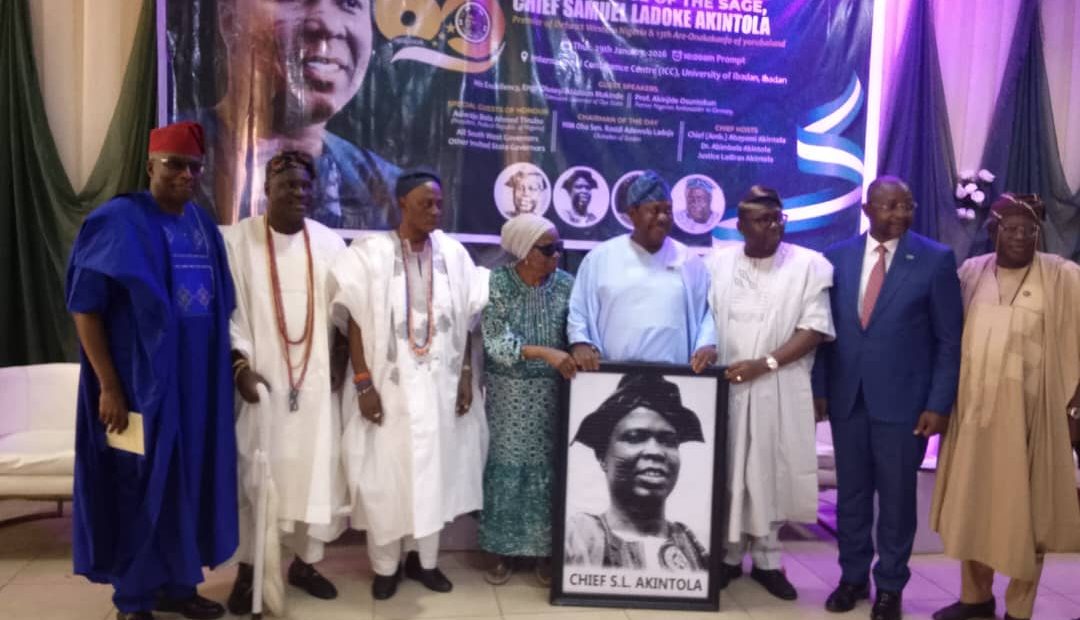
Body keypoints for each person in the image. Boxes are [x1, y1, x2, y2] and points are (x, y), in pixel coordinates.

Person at [66, 121, 237, 620]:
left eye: (195, 168)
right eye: (175, 165)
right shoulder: (117, 221)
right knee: (138, 485)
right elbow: (85, 308)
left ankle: (179, 587)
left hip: (196, 390)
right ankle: (134, 599)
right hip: (138, 389)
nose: (186, 176)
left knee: (188, 484)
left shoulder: (202, 225)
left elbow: (220, 307)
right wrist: (109, 386)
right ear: (150, 166)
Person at [329, 168, 489, 600]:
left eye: (439, 203)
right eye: (425, 204)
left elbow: (468, 322)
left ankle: (425, 562)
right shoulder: (370, 253)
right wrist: (363, 384)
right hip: (388, 389)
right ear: (402, 204)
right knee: (385, 478)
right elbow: (354, 322)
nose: (435, 211)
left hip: (440, 389)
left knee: (434, 475)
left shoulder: (453, 254)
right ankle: (386, 567)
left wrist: (466, 376)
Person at [811, 176, 963, 620]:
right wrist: (820, 389)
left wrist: (938, 404)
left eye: (907, 205)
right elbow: (822, 331)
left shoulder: (935, 260)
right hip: (848, 399)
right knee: (852, 496)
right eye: (890, 206)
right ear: (867, 210)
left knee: (896, 501)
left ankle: (891, 586)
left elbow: (949, 341)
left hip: (906, 405)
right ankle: (852, 578)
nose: (900, 213)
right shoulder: (836, 257)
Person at [929, 194, 1080, 620]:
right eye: (1010, 229)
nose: (1020, 237)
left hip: (1031, 421)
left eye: (1029, 230)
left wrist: (1075, 410)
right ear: (993, 231)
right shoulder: (971, 273)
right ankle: (975, 599)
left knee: (1025, 516)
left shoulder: (1062, 276)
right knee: (973, 505)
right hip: (973, 418)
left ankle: (1020, 608)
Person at [222, 151, 349, 615]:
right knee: (257, 476)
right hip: (261, 388)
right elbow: (229, 312)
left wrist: (339, 360)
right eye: (288, 185)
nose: (298, 193)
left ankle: (304, 564)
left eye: (305, 186)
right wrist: (240, 368)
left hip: (314, 387)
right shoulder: (238, 241)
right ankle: (249, 570)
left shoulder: (330, 243)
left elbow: (346, 311)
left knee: (314, 473)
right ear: (267, 190)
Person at [706, 186, 835, 601]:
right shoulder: (717, 264)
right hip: (726, 387)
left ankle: (768, 561)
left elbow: (814, 328)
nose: (774, 226)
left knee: (772, 473)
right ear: (741, 225)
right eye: (763, 220)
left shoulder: (809, 265)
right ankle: (728, 556)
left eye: (779, 218)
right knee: (729, 472)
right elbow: (704, 319)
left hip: (779, 385)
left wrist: (764, 365)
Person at [189, 0, 400, 228]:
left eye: (349, 2)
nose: (328, 24)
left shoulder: (391, 192)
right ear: (229, 18)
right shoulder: (178, 163)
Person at [479, 214, 576, 586]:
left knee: (548, 469)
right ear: (523, 251)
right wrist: (544, 352)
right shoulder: (498, 283)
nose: (556, 255)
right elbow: (495, 342)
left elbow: (578, 330)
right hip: (510, 395)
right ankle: (500, 549)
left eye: (558, 248)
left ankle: (545, 551)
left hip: (554, 394)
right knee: (507, 466)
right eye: (548, 249)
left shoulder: (566, 285)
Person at [567, 170, 717, 371]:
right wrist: (580, 342)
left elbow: (708, 312)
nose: (662, 218)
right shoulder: (600, 258)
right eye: (654, 210)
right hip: (611, 375)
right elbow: (579, 309)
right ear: (632, 214)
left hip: (677, 376)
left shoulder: (689, 260)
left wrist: (706, 344)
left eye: (668, 211)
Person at [564, 373, 709, 570]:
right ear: (602, 456)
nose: (655, 452)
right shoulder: (579, 539)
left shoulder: (695, 546)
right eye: (634, 437)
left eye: (668, 441)